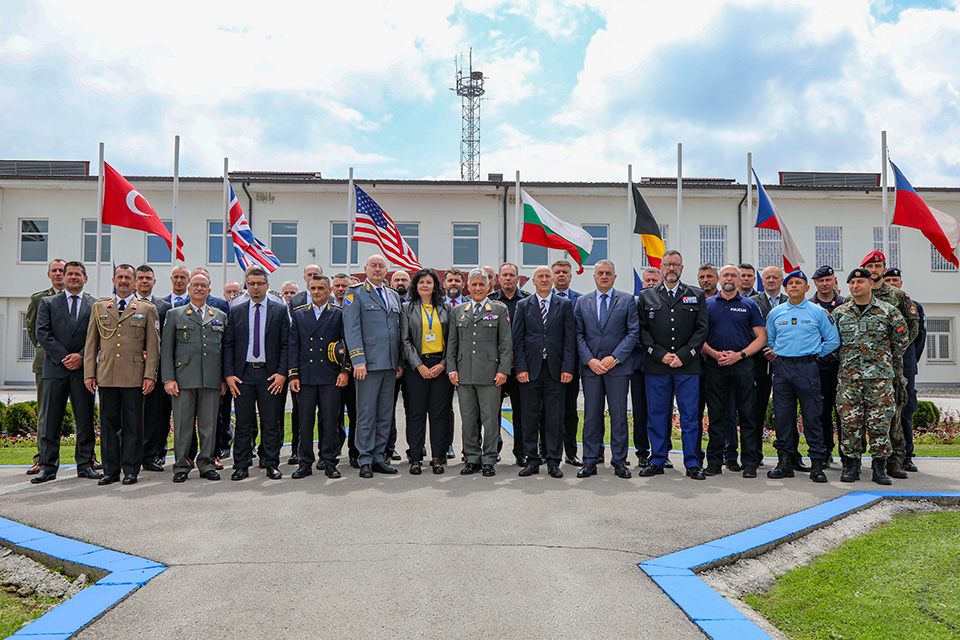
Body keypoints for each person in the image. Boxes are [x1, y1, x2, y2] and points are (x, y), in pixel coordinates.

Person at [83, 264, 161, 486]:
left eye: (128, 277)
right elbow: (91, 345)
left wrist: (150, 376)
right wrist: (89, 373)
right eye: (120, 277)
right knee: (108, 426)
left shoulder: (146, 309)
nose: (124, 281)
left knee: (133, 426)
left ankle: (130, 470)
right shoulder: (99, 308)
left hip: (134, 377)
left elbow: (154, 347)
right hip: (106, 375)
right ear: (114, 280)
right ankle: (110, 470)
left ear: (135, 281)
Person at [834, 268, 910, 485]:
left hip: (879, 380)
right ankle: (851, 467)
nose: (855, 286)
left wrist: (881, 360)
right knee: (850, 423)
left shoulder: (888, 311)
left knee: (879, 424)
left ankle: (879, 468)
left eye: (860, 281)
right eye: (852, 283)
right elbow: (832, 344)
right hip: (849, 379)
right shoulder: (840, 313)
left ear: (870, 283)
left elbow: (901, 341)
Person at [637, 250, 709, 480]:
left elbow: (701, 329)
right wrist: (659, 354)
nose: (671, 268)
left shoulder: (695, 295)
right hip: (657, 366)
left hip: (687, 366)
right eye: (667, 264)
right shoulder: (646, 296)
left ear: (682, 268)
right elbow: (642, 331)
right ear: (660, 267)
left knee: (689, 416)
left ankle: (692, 463)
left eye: (675, 264)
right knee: (657, 415)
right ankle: (657, 460)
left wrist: (684, 355)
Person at [764, 270, 841, 482]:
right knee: (783, 417)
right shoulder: (776, 313)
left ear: (807, 288)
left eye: (799, 283)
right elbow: (771, 341)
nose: (794, 286)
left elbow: (833, 340)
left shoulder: (818, 312)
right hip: (782, 370)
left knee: (812, 416)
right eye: (790, 283)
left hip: (808, 368)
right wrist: (781, 356)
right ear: (785, 288)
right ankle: (784, 463)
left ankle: (817, 464)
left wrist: (816, 355)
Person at [31, 261, 100, 484]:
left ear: (85, 278)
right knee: (51, 420)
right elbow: (42, 333)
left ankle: (85, 464)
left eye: (77, 274)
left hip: (83, 371)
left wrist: (81, 356)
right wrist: (64, 357)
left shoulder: (95, 305)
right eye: (69, 273)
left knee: (85, 419)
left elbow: (98, 336)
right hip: (55, 369)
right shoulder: (48, 302)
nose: (72, 277)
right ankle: (48, 466)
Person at [574, 259, 639, 479]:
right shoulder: (582, 302)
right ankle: (590, 460)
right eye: (600, 273)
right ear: (594, 277)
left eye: (608, 273)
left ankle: (619, 460)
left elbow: (633, 333)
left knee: (619, 416)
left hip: (618, 369)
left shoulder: (628, 300)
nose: (604, 276)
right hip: (591, 368)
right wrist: (590, 360)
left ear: (614, 277)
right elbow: (578, 334)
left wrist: (615, 358)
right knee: (591, 415)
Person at [700, 265, 766, 478]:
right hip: (715, 366)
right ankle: (714, 463)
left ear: (740, 280)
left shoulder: (750, 305)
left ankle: (749, 463)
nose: (729, 278)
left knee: (747, 415)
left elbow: (761, 337)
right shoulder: (707, 305)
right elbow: (698, 336)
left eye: (733, 275)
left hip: (743, 367)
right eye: (726, 275)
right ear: (719, 279)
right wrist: (714, 353)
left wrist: (740, 355)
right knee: (717, 416)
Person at [161, 273, 228, 483]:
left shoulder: (219, 316)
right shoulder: (175, 314)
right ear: (189, 289)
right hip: (183, 380)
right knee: (183, 425)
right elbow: (166, 350)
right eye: (196, 285)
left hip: (211, 379)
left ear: (209, 289)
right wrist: (168, 379)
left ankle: (207, 464)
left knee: (209, 425)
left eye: (204, 285)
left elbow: (224, 350)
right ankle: (181, 465)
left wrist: (224, 378)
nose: (200, 288)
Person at [224, 266, 289, 480]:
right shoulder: (237, 310)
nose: (256, 287)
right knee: (243, 422)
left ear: (267, 286)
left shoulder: (279, 310)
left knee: (271, 422)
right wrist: (229, 374)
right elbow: (229, 345)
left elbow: (285, 345)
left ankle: (271, 463)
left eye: (260, 283)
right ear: (246, 286)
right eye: (252, 284)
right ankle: (241, 465)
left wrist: (281, 373)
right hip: (243, 375)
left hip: (270, 375)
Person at [446, 268, 512, 477]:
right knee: (468, 418)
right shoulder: (458, 311)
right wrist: (452, 369)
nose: (477, 288)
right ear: (468, 287)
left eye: (481, 284)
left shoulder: (499, 310)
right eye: (473, 284)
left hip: (490, 374)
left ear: (488, 286)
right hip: (464, 374)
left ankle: (489, 459)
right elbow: (452, 344)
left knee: (490, 419)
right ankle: (472, 458)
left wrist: (503, 370)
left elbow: (505, 344)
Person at [861, 250, 920, 479]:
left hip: (890, 367)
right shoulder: (854, 295)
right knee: (860, 414)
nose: (874, 270)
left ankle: (896, 461)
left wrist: (896, 350)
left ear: (884, 270)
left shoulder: (899, 296)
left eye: (878, 266)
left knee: (894, 412)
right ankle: (858, 461)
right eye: (870, 266)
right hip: (861, 369)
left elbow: (913, 327)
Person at [343, 254, 402, 478]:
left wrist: (399, 362)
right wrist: (358, 360)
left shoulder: (393, 295)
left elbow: (397, 329)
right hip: (367, 364)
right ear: (366, 268)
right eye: (373, 266)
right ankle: (365, 458)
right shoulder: (355, 294)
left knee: (385, 414)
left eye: (381, 266)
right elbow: (352, 329)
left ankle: (379, 456)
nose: (377, 269)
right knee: (366, 413)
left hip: (389, 364)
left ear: (386, 270)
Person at [513, 266, 575, 478]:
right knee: (529, 416)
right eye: (541, 276)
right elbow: (518, 339)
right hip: (530, 370)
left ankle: (553, 460)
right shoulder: (523, 305)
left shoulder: (564, 305)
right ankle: (532, 460)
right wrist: (520, 368)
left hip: (556, 370)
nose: (545, 279)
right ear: (534, 280)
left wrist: (568, 368)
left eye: (548, 276)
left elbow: (569, 340)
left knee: (554, 417)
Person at [288, 274, 349, 479]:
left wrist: (345, 371)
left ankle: (330, 461)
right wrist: (293, 375)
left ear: (329, 291)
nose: (316, 292)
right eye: (313, 288)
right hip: (305, 377)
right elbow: (293, 346)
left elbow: (347, 344)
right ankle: (305, 462)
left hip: (330, 376)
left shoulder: (339, 314)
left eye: (321, 288)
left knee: (330, 421)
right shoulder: (299, 314)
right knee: (305, 422)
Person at [399, 268, 455, 474]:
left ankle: (438, 458)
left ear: (435, 286)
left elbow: (452, 340)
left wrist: (443, 364)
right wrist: (419, 366)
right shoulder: (407, 308)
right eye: (421, 282)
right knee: (416, 413)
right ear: (416, 285)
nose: (425, 285)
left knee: (439, 414)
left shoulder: (446, 308)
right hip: (417, 367)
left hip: (440, 365)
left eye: (429, 282)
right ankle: (415, 458)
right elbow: (404, 340)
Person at [25, 258, 67, 475]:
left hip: (76, 363)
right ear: (49, 274)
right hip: (47, 363)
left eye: (62, 270)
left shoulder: (80, 299)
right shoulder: (39, 299)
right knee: (46, 413)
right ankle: (42, 458)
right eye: (55, 271)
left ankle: (89, 457)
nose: (59, 274)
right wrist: (51, 352)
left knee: (84, 412)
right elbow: (35, 332)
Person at [883, 267, 926, 472]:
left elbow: (919, 340)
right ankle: (885, 457)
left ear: (901, 282)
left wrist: (906, 360)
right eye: (888, 279)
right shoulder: (877, 306)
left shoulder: (912, 306)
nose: (892, 282)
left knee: (905, 410)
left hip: (905, 367)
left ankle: (907, 456)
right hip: (880, 368)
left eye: (895, 279)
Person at [750, 266, 793, 469]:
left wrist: (779, 350)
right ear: (762, 280)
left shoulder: (791, 301)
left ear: (781, 280)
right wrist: (765, 350)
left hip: (786, 363)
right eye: (767, 277)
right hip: (759, 364)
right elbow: (749, 331)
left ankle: (791, 457)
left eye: (775, 277)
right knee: (757, 410)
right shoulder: (752, 303)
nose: (771, 280)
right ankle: (755, 454)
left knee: (788, 411)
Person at [134, 265, 173, 473]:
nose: (144, 281)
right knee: (131, 415)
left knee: (156, 415)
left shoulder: (164, 308)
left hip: (156, 371)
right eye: (140, 278)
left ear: (154, 282)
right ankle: (130, 455)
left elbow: (167, 340)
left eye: (148, 278)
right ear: (134, 282)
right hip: (131, 369)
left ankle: (153, 455)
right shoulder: (126, 306)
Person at [490, 262, 530, 466]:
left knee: (521, 411)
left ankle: (521, 452)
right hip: (495, 367)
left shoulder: (528, 300)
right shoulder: (489, 302)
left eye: (512, 275)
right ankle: (493, 449)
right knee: (492, 411)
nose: (508, 278)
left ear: (518, 278)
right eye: (504, 275)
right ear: (498, 278)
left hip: (520, 366)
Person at [810, 265, 844, 466]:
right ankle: (824, 453)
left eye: (828, 280)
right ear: (815, 283)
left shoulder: (845, 305)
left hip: (842, 368)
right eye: (820, 280)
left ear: (834, 280)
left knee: (844, 413)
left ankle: (846, 454)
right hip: (818, 368)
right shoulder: (809, 306)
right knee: (820, 412)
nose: (824, 284)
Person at [551, 259, 584, 466]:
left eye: (565, 272)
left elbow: (580, 334)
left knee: (570, 412)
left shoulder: (579, 301)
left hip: (571, 366)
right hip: (547, 365)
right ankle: (546, 451)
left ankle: (571, 452)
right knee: (546, 411)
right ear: (552, 276)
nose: (561, 275)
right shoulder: (543, 299)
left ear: (571, 277)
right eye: (557, 272)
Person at [631, 267, 663, 467]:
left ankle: (662, 451)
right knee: (640, 411)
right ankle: (642, 451)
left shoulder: (665, 304)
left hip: (660, 365)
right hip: (639, 366)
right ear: (642, 283)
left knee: (662, 410)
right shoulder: (633, 304)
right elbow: (632, 333)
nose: (650, 283)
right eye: (647, 280)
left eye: (654, 280)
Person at [330, 273, 359, 467]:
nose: (341, 289)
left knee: (355, 414)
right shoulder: (328, 310)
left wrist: (347, 369)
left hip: (353, 372)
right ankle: (331, 453)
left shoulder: (356, 310)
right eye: (338, 286)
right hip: (329, 373)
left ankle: (354, 453)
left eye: (345, 286)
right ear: (332, 289)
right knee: (331, 415)